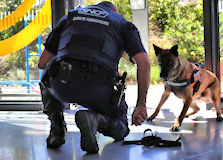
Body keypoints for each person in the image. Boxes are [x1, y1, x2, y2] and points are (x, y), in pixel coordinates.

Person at [38, 1, 150, 153]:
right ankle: (96, 120)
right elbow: (143, 63)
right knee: (121, 126)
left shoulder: (69, 18)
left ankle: (57, 125)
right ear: (115, 11)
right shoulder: (122, 24)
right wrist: (141, 105)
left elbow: (43, 62)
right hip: (100, 88)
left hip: (63, 83)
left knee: (48, 76)